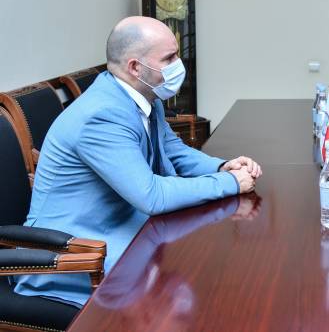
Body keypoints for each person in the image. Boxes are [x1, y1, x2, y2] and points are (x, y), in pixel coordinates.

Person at [14, 16, 262, 307]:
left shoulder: (144, 97)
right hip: (72, 254)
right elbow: (151, 196)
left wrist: (221, 167)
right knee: (195, 282)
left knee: (202, 268)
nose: (178, 65)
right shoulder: (101, 115)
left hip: (121, 230)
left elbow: (173, 150)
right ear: (135, 67)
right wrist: (229, 183)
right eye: (169, 58)